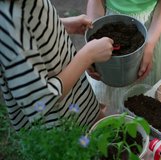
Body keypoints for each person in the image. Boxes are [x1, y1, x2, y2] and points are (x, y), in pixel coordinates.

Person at [0, 0, 114, 131]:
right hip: (60, 125)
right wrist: (87, 56)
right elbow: (40, 103)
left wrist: (60, 24)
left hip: (79, 98)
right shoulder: (12, 29)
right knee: (87, 145)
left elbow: (31, 23)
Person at [86, 0, 161, 113]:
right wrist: (93, 40)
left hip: (151, 30)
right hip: (108, 24)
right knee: (98, 96)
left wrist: (149, 45)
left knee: (141, 103)